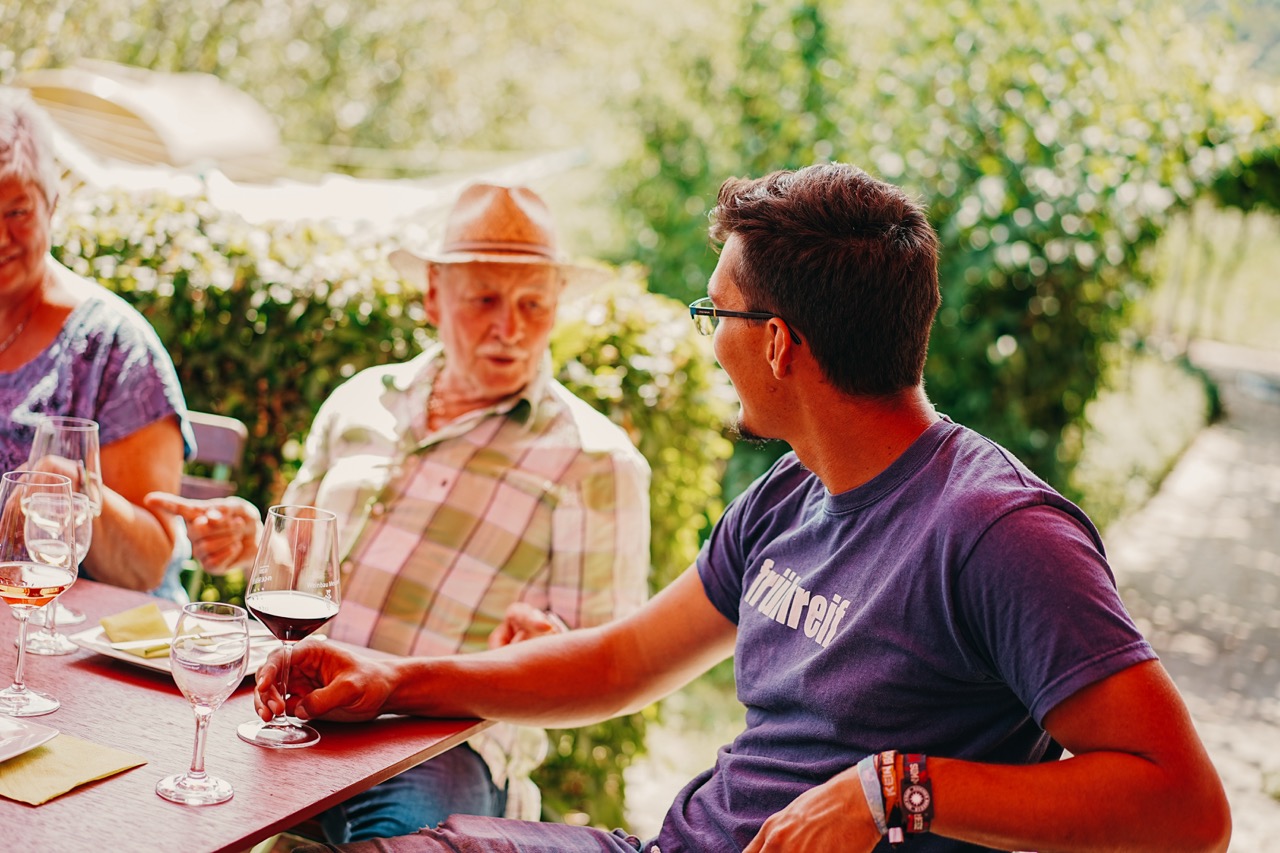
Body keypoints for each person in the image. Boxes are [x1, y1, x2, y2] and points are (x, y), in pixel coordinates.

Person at [257, 163, 1232, 853]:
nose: (705, 338)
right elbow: (620, 660)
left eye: (713, 313)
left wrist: (895, 790)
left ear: (775, 343)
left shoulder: (996, 531)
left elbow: (1185, 807)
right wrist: (396, 675)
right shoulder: (789, 492)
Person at [146, 182, 651, 841]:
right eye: (486, 300)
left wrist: (549, 641)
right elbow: (295, 569)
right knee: (157, 804)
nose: (511, 327)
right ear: (433, 296)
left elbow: (598, 667)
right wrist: (250, 541)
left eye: (533, 303)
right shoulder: (359, 401)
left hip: (436, 745)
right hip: (291, 705)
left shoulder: (597, 461)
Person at [0, 86, 193, 599]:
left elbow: (149, 563)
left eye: (16, 212)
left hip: (83, 647)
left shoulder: (114, 346)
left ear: (52, 204)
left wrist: (78, 493)